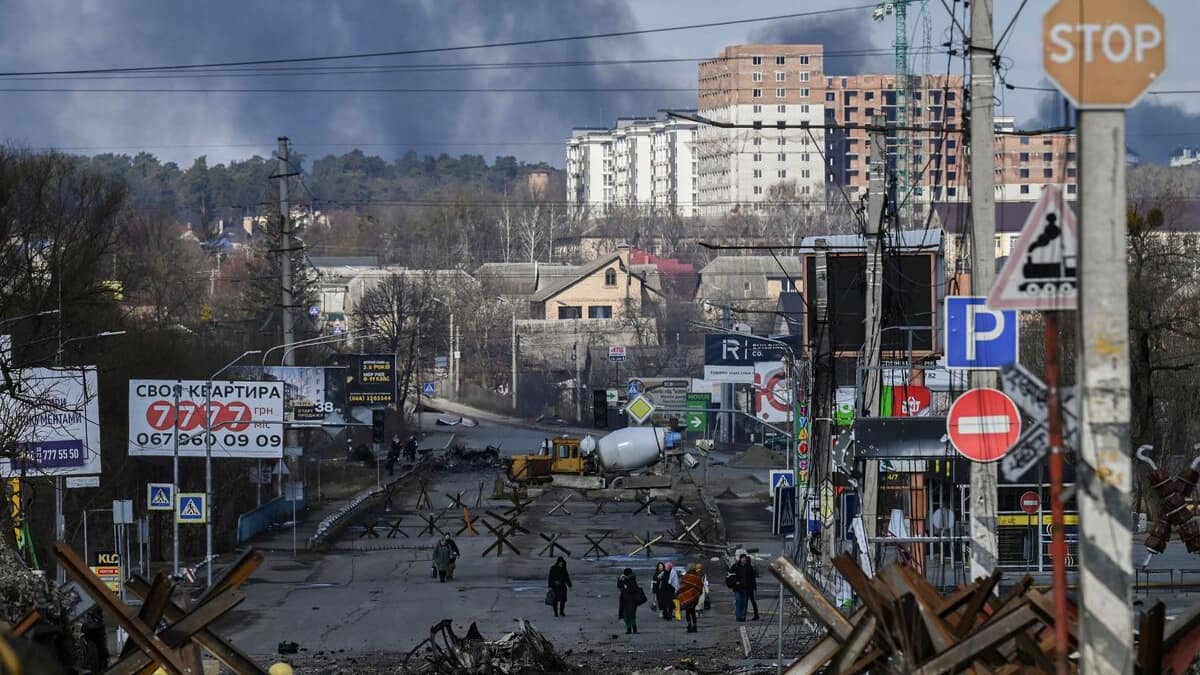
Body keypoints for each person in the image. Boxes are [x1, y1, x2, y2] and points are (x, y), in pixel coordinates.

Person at [727, 553, 759, 621]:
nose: (744, 560)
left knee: (744, 603)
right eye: (743, 558)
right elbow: (730, 576)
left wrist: (754, 587)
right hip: (737, 587)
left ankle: (743, 617)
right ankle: (738, 617)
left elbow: (752, 578)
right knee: (738, 601)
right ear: (740, 559)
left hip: (746, 588)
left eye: (745, 559)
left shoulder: (749, 567)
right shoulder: (735, 567)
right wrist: (734, 582)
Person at [676, 564, 705, 633]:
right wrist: (698, 594)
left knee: (687, 612)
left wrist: (678, 594)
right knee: (692, 612)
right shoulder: (697, 576)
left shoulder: (685, 576)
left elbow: (682, 586)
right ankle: (695, 626)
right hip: (694, 597)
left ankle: (689, 625)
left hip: (686, 597)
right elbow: (700, 586)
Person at [617, 568, 643, 634]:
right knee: (626, 615)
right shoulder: (626, 579)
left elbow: (633, 590)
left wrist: (626, 587)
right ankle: (629, 629)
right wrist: (620, 579)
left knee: (631, 615)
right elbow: (619, 585)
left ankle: (634, 629)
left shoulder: (632, 579)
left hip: (631, 600)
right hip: (625, 600)